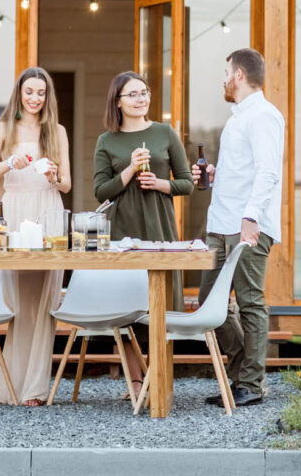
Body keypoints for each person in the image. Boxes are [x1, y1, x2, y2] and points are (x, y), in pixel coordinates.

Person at [191, 48, 284, 407]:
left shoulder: (263, 116)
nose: (224, 78)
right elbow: (245, 169)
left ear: (240, 76)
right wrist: (216, 173)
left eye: (226, 71)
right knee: (208, 304)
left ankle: (251, 385)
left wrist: (251, 218)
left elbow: (268, 172)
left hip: (246, 224)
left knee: (249, 301)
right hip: (220, 222)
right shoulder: (238, 118)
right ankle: (245, 371)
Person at [94, 70, 194, 394]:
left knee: (159, 305)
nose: (141, 99)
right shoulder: (106, 141)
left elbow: (187, 183)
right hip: (124, 231)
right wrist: (130, 170)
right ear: (118, 102)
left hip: (160, 226)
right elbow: (100, 191)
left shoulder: (165, 133)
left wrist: (160, 183)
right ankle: (135, 381)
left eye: (144, 92)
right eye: (133, 94)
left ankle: (159, 377)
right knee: (128, 306)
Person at [0, 67, 71, 406]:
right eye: (29, 91)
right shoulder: (3, 127)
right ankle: (9, 385)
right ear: (19, 93)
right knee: (19, 303)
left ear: (48, 97)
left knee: (43, 303)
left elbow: (67, 185)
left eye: (41, 92)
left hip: (48, 209)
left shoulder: (56, 131)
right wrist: (10, 163)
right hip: (16, 212)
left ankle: (34, 387)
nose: (35, 98)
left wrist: (53, 174)